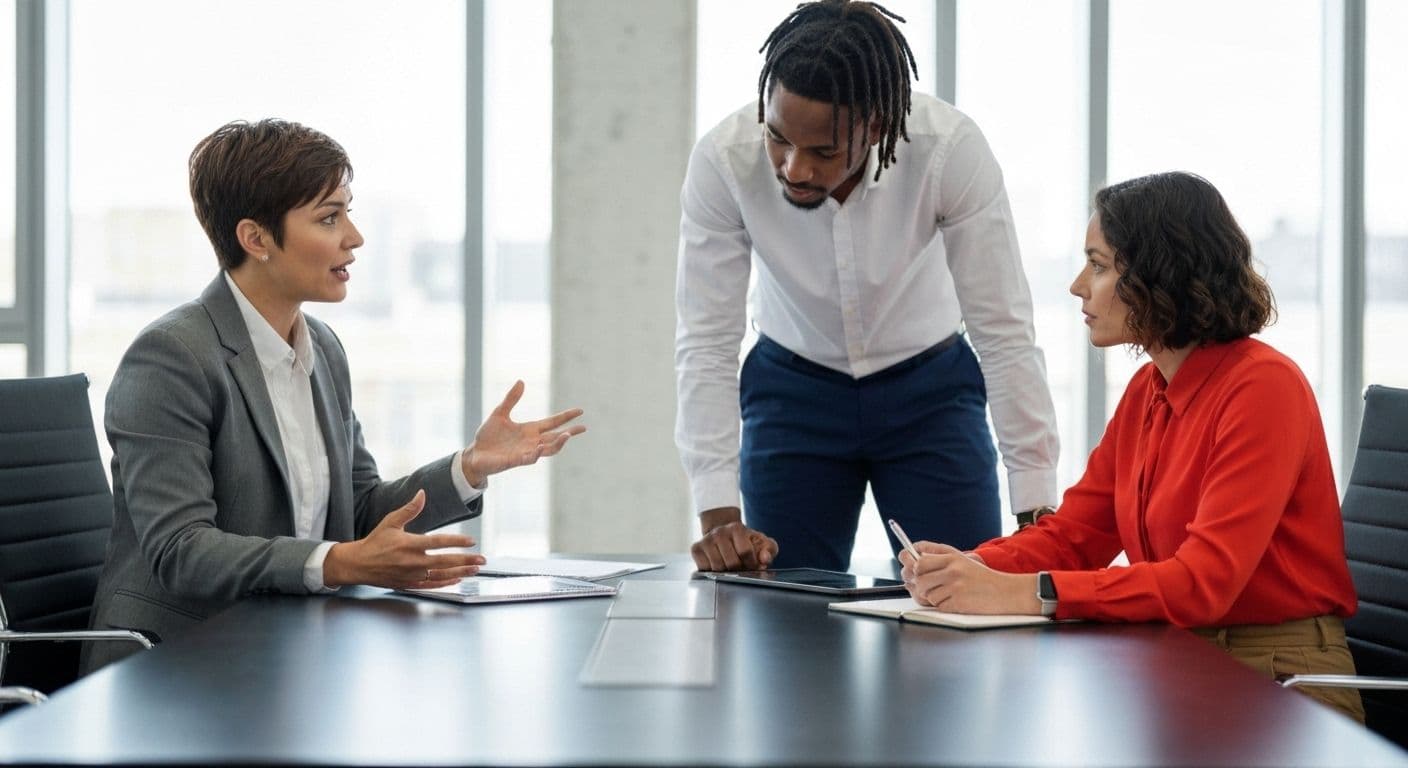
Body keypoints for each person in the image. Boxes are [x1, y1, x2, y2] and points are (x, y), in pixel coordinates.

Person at [82, 119, 585, 672]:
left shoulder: (322, 348)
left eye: (348, 211)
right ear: (256, 239)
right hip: (171, 665)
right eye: (328, 217)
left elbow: (361, 508)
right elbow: (183, 551)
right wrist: (343, 563)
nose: (354, 236)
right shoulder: (173, 356)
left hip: (284, 650)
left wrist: (469, 467)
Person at [899, 171, 1364, 722]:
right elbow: (1076, 537)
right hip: (1179, 658)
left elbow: (1202, 583)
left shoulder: (1264, 388)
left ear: (1156, 273)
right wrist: (970, 567)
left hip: (1282, 677)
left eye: (1097, 265)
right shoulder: (1149, 391)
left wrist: (1021, 593)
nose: (1077, 285)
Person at [677, 0, 1059, 572]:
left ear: (876, 125)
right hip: (791, 393)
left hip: (931, 394)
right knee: (783, 615)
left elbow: (1003, 331)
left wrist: (1036, 511)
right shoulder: (723, 160)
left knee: (963, 609)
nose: (794, 169)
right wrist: (718, 514)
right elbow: (705, 340)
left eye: (823, 151)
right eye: (779, 139)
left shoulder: (949, 151)